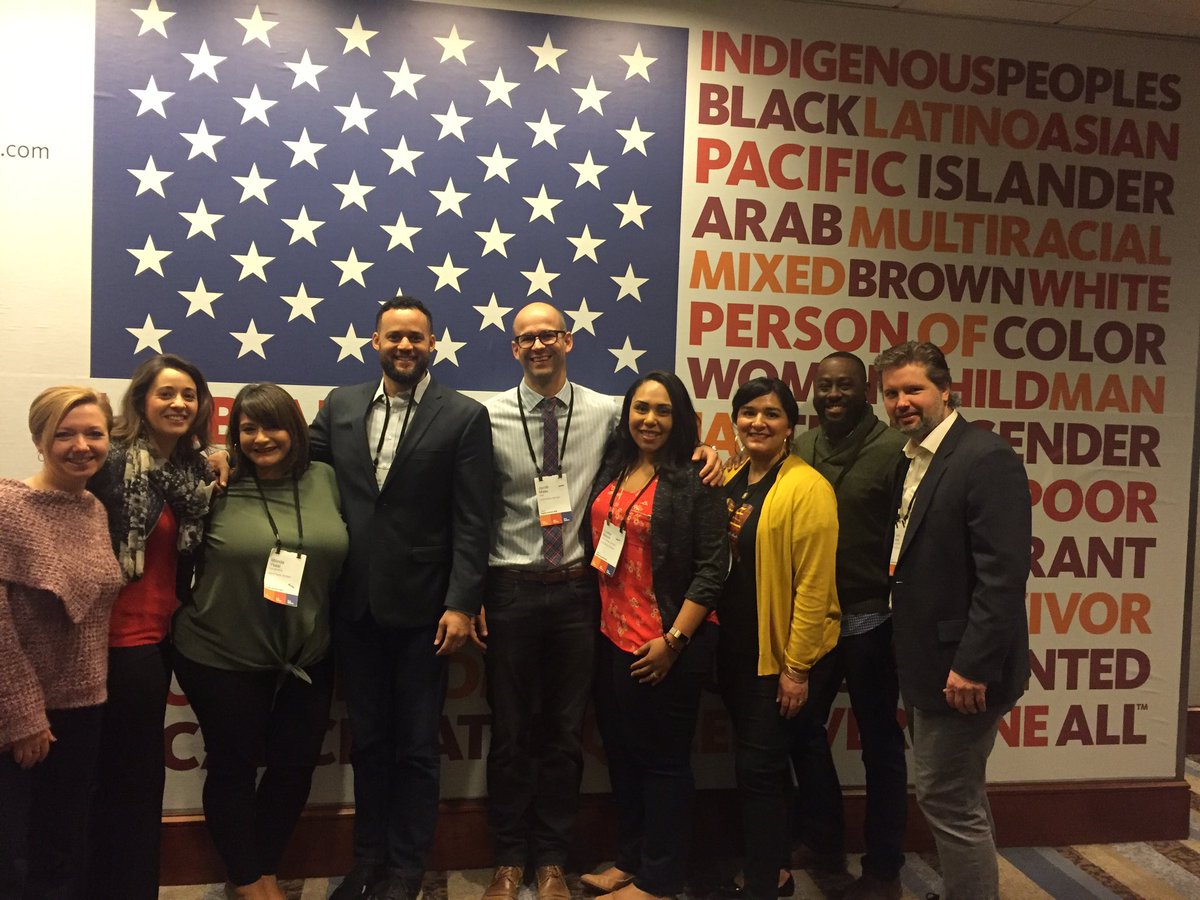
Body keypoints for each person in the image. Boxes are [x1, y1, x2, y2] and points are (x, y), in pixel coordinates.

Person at [480, 302, 720, 900]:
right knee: (511, 734)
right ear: (514, 348)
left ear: (569, 340)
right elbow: (464, 510)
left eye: (549, 335)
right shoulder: (482, 417)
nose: (538, 346)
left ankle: (554, 861)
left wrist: (710, 450)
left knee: (564, 734)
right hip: (511, 590)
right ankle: (511, 860)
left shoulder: (610, 411)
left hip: (577, 596)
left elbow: (671, 430)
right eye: (525, 338)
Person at [317, 296, 494, 900]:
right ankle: (366, 861)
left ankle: (406, 870)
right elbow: (294, 464)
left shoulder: (463, 416)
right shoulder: (339, 405)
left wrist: (462, 602)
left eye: (416, 337)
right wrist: (221, 456)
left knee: (417, 748)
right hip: (355, 606)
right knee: (367, 743)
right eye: (394, 336)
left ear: (433, 345)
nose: (405, 346)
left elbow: (475, 520)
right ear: (374, 341)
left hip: (427, 613)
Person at [173, 383, 349, 900]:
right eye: (247, 428)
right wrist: (213, 454)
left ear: (295, 429)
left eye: (272, 425)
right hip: (221, 654)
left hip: (307, 653)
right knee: (233, 764)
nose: (260, 438)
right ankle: (247, 879)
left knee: (294, 767)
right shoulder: (215, 483)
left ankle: (264, 865)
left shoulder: (327, 479)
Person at [874, 342, 1030, 900]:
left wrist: (972, 667)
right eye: (891, 393)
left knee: (947, 800)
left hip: (962, 674)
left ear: (945, 390)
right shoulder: (911, 457)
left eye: (913, 389)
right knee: (958, 795)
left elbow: (1003, 578)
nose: (901, 402)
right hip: (925, 664)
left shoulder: (984, 457)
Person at [584, 371, 728, 900]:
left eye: (663, 411)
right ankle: (630, 859)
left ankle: (660, 879)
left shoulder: (696, 478)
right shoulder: (615, 465)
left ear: (681, 418)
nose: (650, 419)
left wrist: (674, 642)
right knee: (622, 756)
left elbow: (714, 568)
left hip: (666, 644)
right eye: (641, 408)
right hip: (610, 637)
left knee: (664, 763)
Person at [87, 353, 216, 900]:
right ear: (141, 400)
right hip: (103, 642)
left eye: (189, 395)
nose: (179, 403)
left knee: (139, 782)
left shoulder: (194, 471)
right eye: (167, 393)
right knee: (106, 781)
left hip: (156, 642)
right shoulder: (107, 462)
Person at [790, 353, 908, 899]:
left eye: (846, 386)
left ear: (867, 391)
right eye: (825, 386)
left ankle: (884, 867)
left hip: (871, 616)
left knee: (880, 740)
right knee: (799, 726)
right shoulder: (802, 446)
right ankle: (825, 839)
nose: (833, 394)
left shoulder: (894, 450)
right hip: (813, 613)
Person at [0, 387, 124, 898]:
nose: (81, 445)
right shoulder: (8, 506)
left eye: (94, 433)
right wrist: (24, 716)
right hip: (23, 717)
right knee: (14, 854)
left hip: (83, 704)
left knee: (62, 843)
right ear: (38, 440)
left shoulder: (92, 507)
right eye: (64, 434)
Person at [718, 378, 839, 900]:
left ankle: (767, 883)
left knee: (759, 768)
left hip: (782, 655)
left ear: (791, 425)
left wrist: (797, 668)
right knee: (759, 763)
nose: (758, 423)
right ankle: (778, 865)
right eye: (748, 413)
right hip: (738, 649)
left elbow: (815, 586)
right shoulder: (733, 475)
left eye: (771, 414)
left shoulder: (808, 487)